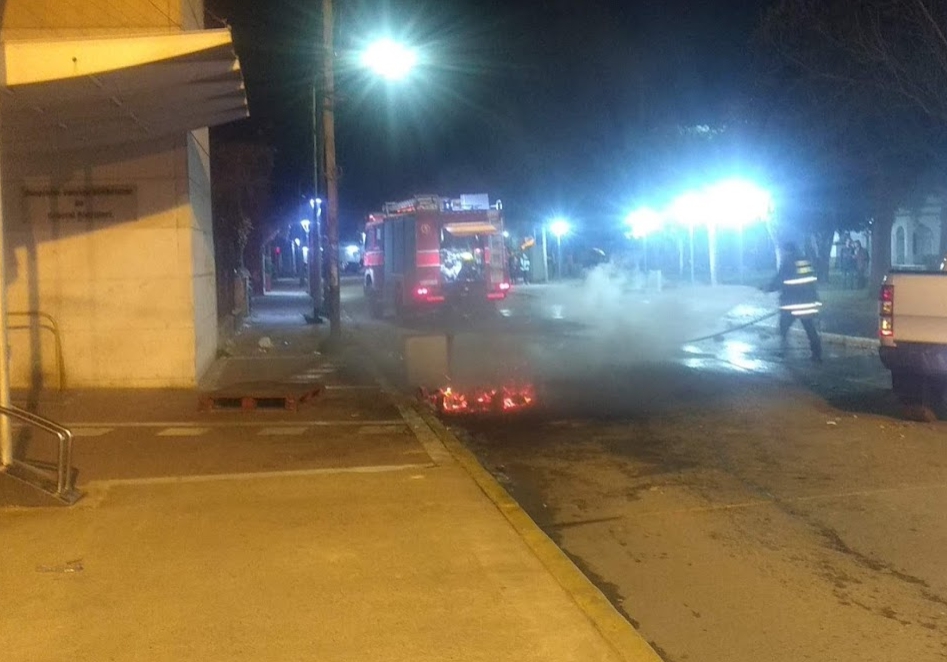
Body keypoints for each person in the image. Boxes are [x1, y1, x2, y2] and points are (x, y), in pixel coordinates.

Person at [765, 241, 823, 363]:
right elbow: (811, 280)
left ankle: (783, 350)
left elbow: (780, 280)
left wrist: (768, 288)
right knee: (809, 328)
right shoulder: (804, 261)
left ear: (787, 251)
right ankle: (817, 353)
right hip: (808, 302)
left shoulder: (787, 262)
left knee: (783, 327)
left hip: (793, 303)